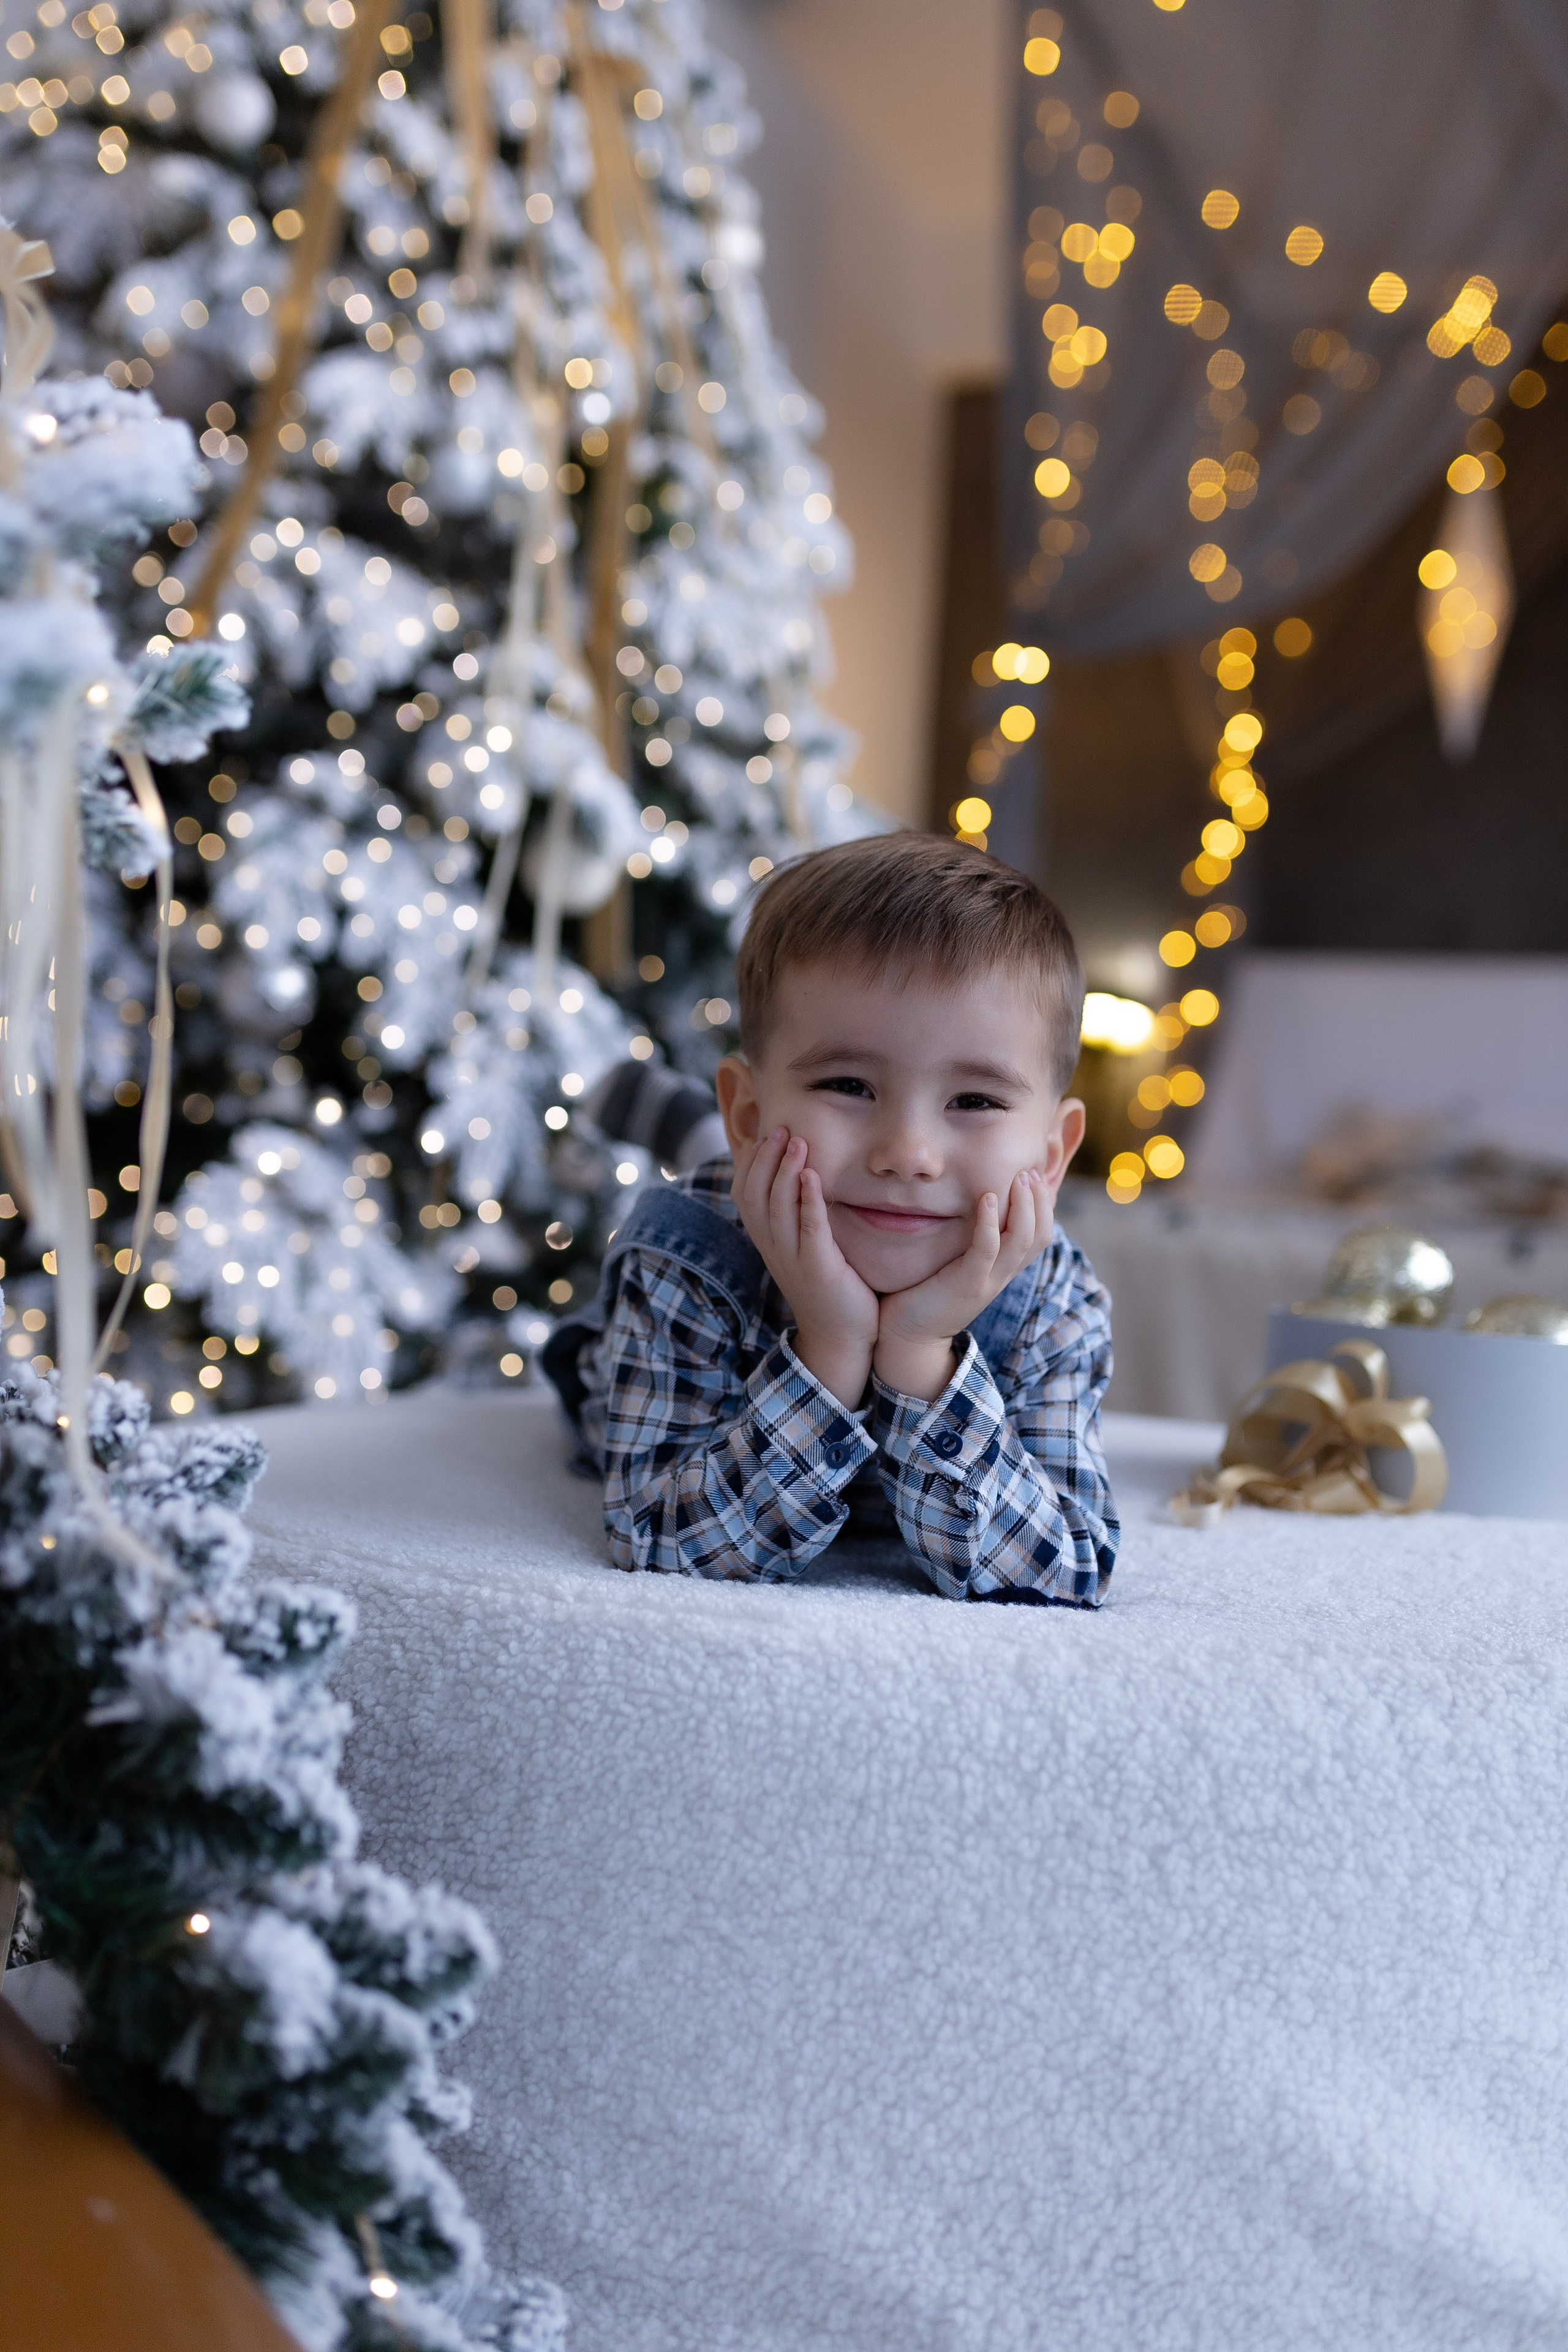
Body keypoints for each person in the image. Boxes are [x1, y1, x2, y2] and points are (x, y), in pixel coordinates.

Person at [549, 832, 1117, 1604]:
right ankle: (708, 1138)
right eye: (849, 1085)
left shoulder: (1053, 1298)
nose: (908, 1153)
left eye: (974, 1100)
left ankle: (695, 1125)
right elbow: (659, 1536)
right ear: (748, 1111)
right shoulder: (686, 1258)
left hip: (814, 1182)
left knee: (796, 1166)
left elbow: (1067, 1566)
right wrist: (831, 1344)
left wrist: (919, 1352)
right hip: (733, 1233)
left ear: (1051, 1155)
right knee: (749, 1179)